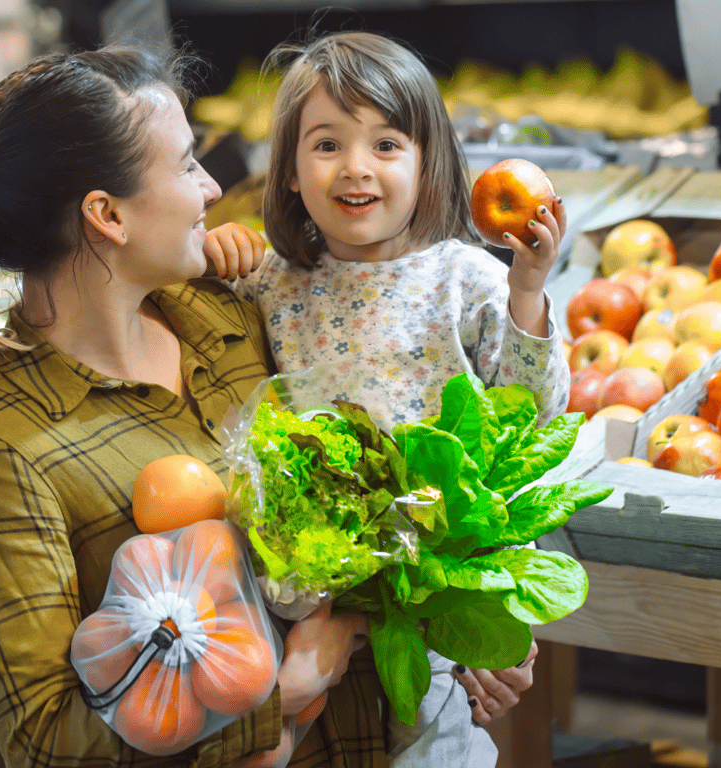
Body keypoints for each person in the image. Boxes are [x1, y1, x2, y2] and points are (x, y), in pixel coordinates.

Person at [0, 47, 383, 768]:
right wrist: (289, 685)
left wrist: (458, 648)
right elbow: (45, 742)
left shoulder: (230, 320)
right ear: (107, 214)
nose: (213, 187)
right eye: (186, 165)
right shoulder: (13, 446)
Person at [206, 31, 566, 767]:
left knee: (433, 740)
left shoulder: (464, 278)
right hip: (313, 592)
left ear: (428, 161)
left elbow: (527, 414)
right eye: (327, 145)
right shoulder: (274, 281)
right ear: (290, 171)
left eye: (387, 145)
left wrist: (527, 290)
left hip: (429, 575)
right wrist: (219, 254)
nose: (356, 168)